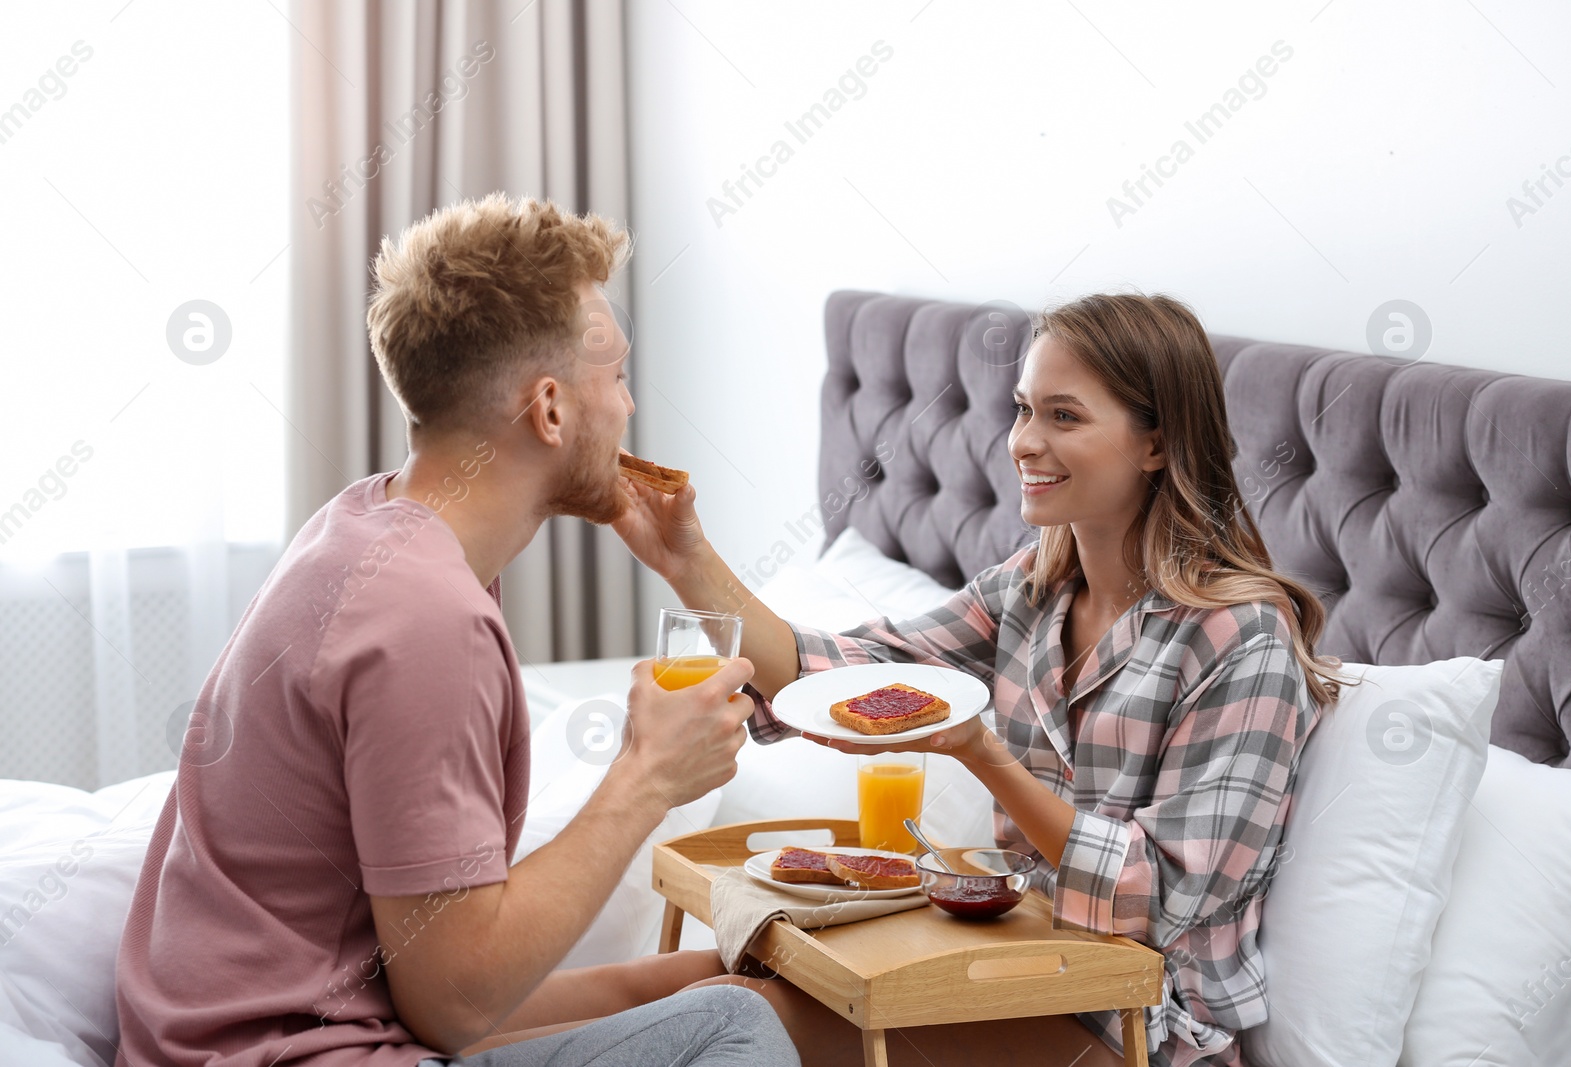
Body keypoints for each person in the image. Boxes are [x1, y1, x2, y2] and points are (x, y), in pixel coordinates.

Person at [114, 193, 798, 1067]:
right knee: (741, 1029)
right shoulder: (428, 621)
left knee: (706, 989)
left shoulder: (364, 527)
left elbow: (413, 976)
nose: (628, 407)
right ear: (550, 411)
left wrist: (671, 982)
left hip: (228, 1036)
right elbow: (454, 1003)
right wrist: (648, 777)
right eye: (618, 376)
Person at [614, 292, 1344, 1067]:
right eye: (1025, 409)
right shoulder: (1032, 589)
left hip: (1132, 1027)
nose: (1024, 442)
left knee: (739, 1015)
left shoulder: (1242, 640)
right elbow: (849, 669)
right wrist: (685, 559)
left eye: (1064, 416)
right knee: (679, 985)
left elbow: (1159, 895)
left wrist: (978, 752)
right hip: (1003, 973)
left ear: (1155, 445)